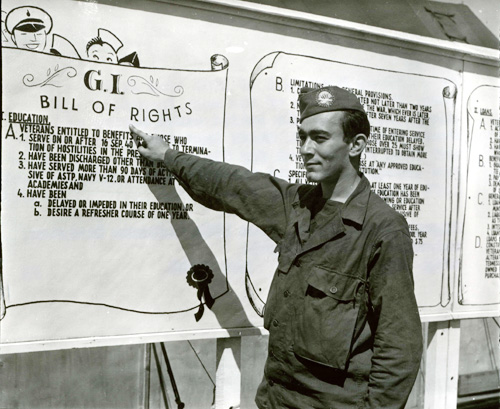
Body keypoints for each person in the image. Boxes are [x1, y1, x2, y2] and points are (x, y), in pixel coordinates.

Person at [129, 85, 423, 409]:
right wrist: (169, 156)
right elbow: (230, 184)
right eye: (302, 137)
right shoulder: (297, 205)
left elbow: (399, 348)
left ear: (356, 145)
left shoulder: (382, 229)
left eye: (320, 138)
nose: (306, 149)